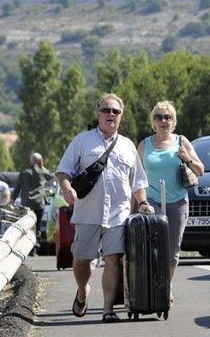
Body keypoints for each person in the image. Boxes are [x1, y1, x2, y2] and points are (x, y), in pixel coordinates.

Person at [56, 93, 153, 323]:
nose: (111, 115)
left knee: (113, 258)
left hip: (118, 214)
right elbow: (63, 171)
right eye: (106, 110)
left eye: (115, 112)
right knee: (81, 259)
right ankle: (82, 291)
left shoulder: (128, 146)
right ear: (98, 113)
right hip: (87, 212)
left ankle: (107, 309)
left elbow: (138, 182)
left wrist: (142, 203)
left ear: (121, 116)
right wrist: (67, 188)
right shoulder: (82, 141)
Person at [137, 100, 204, 305]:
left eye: (168, 117)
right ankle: (150, 287)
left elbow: (201, 170)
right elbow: (136, 176)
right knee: (153, 248)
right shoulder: (144, 144)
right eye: (159, 117)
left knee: (173, 251)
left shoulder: (181, 141)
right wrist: (138, 202)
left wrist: (186, 158)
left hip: (177, 202)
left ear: (173, 121)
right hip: (152, 200)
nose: (163, 120)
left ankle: (165, 286)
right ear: (153, 122)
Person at [12, 152, 53, 242]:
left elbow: (17, 188)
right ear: (40, 161)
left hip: (26, 203)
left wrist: (12, 200)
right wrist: (41, 166)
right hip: (38, 204)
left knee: (27, 224)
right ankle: (36, 243)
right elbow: (51, 177)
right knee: (37, 225)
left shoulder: (23, 173)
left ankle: (27, 242)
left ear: (31, 161)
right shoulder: (42, 172)